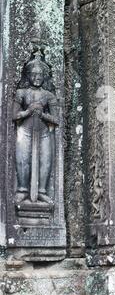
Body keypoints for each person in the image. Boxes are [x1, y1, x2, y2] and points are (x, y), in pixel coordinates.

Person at [13, 50, 58, 205]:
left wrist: (43, 115)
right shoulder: (22, 93)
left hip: (44, 132)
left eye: (40, 75)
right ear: (28, 75)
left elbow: (56, 118)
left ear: (44, 76)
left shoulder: (49, 95)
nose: (37, 78)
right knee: (22, 160)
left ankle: (42, 191)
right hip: (24, 131)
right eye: (33, 74)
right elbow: (14, 115)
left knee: (46, 161)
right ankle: (23, 189)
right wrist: (28, 111)